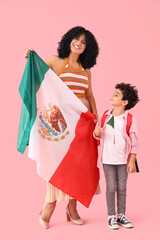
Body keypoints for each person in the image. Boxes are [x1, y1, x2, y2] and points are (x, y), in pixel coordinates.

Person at [24, 26, 100, 229]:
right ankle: (49, 205)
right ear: (68, 40)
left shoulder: (86, 70)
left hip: (83, 123)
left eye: (84, 42)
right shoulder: (56, 62)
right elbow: (38, 74)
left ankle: (72, 207)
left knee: (80, 166)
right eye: (77, 39)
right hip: (61, 125)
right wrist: (29, 58)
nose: (79, 44)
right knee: (58, 164)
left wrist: (96, 116)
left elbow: (90, 95)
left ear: (88, 48)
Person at [94, 83, 139, 229]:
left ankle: (122, 215)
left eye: (117, 94)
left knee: (122, 187)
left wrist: (132, 160)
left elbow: (134, 143)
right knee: (111, 187)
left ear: (124, 102)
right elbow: (98, 136)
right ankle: (111, 216)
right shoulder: (105, 116)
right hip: (107, 159)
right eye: (114, 93)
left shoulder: (130, 119)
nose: (112, 95)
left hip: (122, 160)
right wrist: (96, 133)